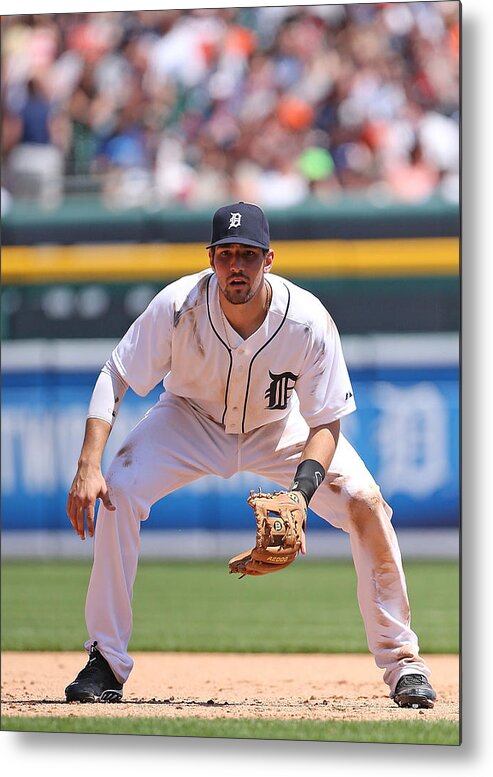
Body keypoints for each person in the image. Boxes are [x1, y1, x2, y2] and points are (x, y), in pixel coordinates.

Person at [65, 201, 436, 709]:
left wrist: (301, 496)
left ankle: (403, 664)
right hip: (187, 419)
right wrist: (89, 463)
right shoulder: (179, 305)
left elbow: (326, 421)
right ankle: (105, 659)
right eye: (226, 254)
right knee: (118, 490)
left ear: (269, 259)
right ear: (212, 258)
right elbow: (117, 373)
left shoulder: (306, 320)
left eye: (248, 255)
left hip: (276, 428)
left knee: (365, 502)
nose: (236, 265)